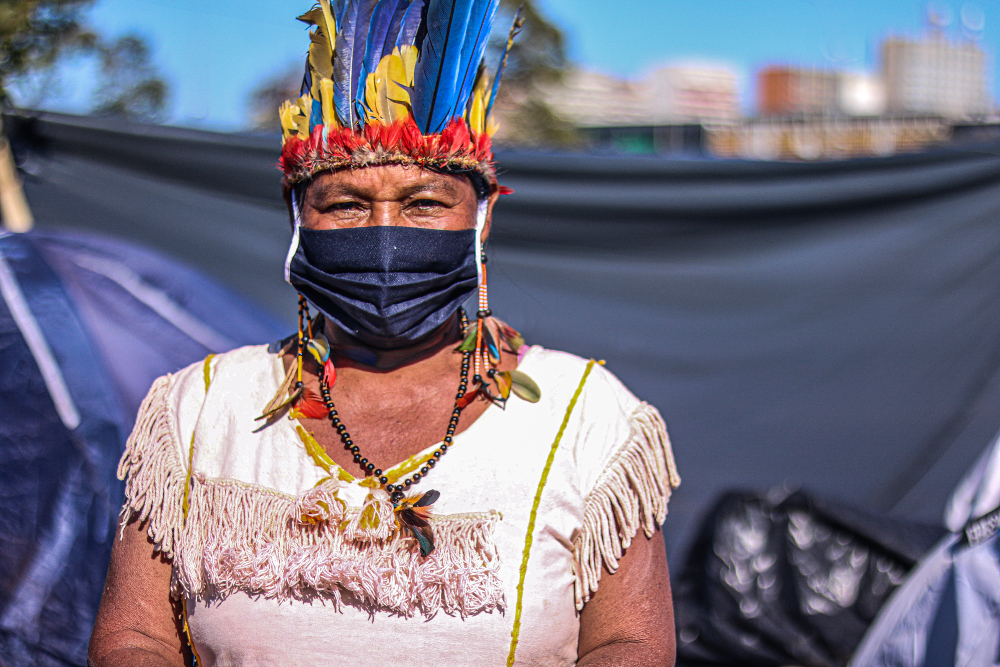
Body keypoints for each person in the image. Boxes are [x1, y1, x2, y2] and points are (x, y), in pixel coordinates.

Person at [88, 1, 681, 664]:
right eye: (345, 203)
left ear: (479, 222)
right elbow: (135, 637)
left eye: (425, 202)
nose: (385, 234)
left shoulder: (589, 419)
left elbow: (629, 642)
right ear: (298, 220)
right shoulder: (199, 409)